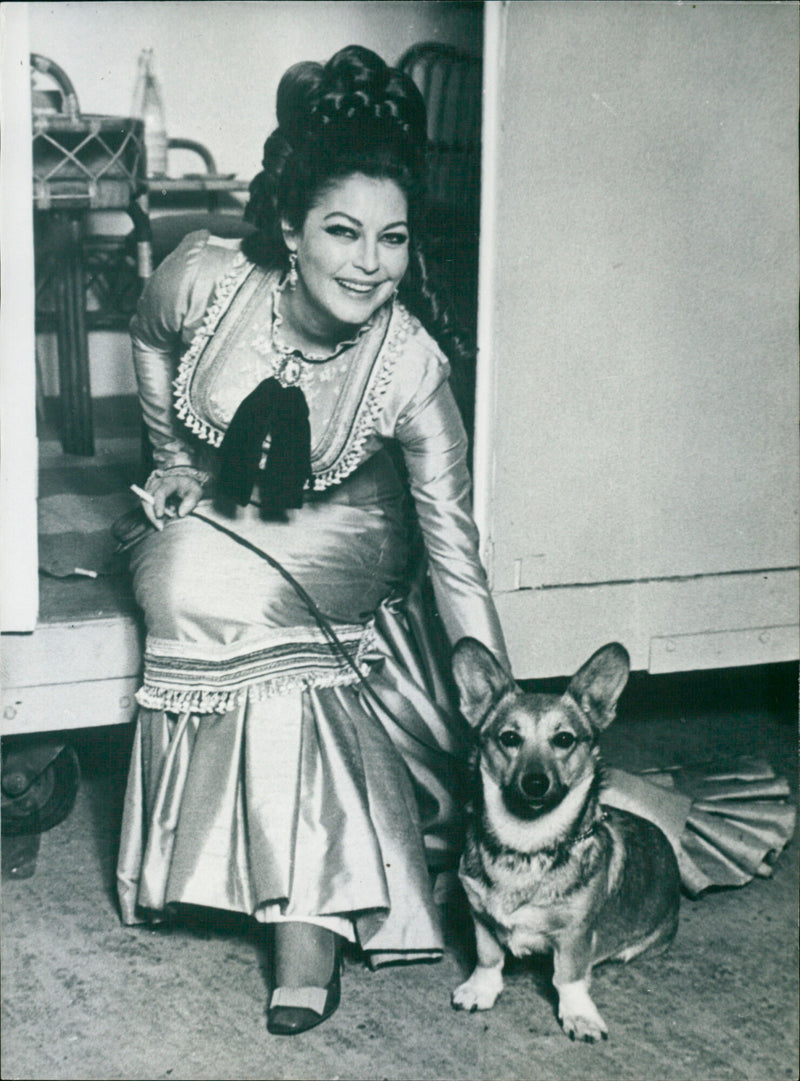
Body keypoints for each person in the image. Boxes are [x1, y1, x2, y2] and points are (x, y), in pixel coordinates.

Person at [116, 44, 508, 1036]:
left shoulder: (412, 364)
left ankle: (308, 922)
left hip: (355, 524)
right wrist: (169, 459)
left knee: (249, 607)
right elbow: (146, 334)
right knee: (179, 582)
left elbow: (452, 542)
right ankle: (212, 867)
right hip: (217, 496)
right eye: (342, 231)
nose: (369, 263)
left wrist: (497, 703)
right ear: (291, 228)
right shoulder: (205, 278)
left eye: (392, 238)